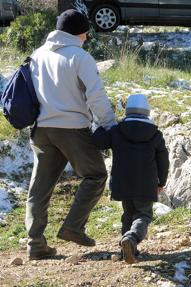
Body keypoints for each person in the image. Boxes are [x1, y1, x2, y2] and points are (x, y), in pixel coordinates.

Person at [26, 9, 117, 260]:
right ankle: (73, 226)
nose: (87, 37)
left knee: (39, 189)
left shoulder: (37, 55)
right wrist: (110, 125)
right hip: (72, 129)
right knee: (96, 174)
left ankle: (35, 244)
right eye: (86, 32)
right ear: (80, 32)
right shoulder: (80, 56)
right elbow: (95, 96)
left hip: (41, 130)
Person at [93, 94, 169, 264]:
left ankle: (126, 250)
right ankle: (132, 238)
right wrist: (161, 182)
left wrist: (101, 125)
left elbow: (97, 142)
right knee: (143, 215)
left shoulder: (117, 131)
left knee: (128, 214)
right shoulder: (156, 134)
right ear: (147, 112)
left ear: (127, 111)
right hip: (145, 185)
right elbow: (163, 161)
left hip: (122, 183)